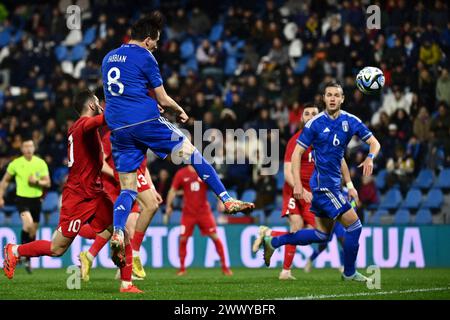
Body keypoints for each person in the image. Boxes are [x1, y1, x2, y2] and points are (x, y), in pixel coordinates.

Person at [101, 11, 254, 259]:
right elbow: (162, 97)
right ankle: (226, 199)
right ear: (149, 39)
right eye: (157, 41)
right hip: (145, 121)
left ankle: (118, 231)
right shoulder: (146, 56)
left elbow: (120, 94)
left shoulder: (108, 58)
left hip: (117, 127)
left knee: (128, 188)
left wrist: (144, 102)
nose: (157, 46)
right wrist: (179, 110)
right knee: (193, 153)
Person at [2, 90, 142, 293]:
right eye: (97, 100)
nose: (100, 103)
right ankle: (15, 250)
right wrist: (134, 106)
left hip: (95, 192)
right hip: (77, 197)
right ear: (92, 105)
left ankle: (126, 284)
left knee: (121, 231)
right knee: (56, 248)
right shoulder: (82, 125)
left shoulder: (84, 129)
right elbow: (105, 120)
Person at [254, 82, 381, 282]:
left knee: (322, 235)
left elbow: (373, 143)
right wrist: (296, 183)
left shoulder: (351, 121)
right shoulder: (315, 124)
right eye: (329, 94)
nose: (332, 98)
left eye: (336, 95)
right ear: (324, 98)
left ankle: (274, 241)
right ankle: (349, 273)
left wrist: (368, 160)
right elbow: (297, 154)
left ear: (342, 99)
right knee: (355, 226)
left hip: (334, 186)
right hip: (323, 188)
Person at [78, 126, 163, 281]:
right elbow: (101, 162)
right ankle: (130, 260)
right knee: (121, 227)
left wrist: (151, 187)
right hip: (116, 186)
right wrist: (118, 175)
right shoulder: (112, 135)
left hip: (134, 179)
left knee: (124, 228)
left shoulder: (139, 132)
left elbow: (144, 166)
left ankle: (92, 257)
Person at [164, 165, 232, 276]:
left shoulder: (203, 170)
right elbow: (172, 190)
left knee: (215, 236)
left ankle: (225, 267)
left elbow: (214, 185)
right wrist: (168, 206)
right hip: (188, 213)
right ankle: (182, 268)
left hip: (204, 212)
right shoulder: (181, 173)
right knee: (183, 238)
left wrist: (221, 201)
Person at [0, 138, 51, 274]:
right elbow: (4, 181)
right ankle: (19, 252)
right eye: (25, 146)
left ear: (34, 148)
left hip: (36, 200)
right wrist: (0, 196)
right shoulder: (16, 164)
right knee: (27, 224)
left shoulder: (40, 163)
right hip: (22, 200)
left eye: (30, 146)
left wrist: (37, 181)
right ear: (22, 149)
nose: (28, 149)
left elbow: (48, 183)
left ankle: (28, 259)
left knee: (33, 231)